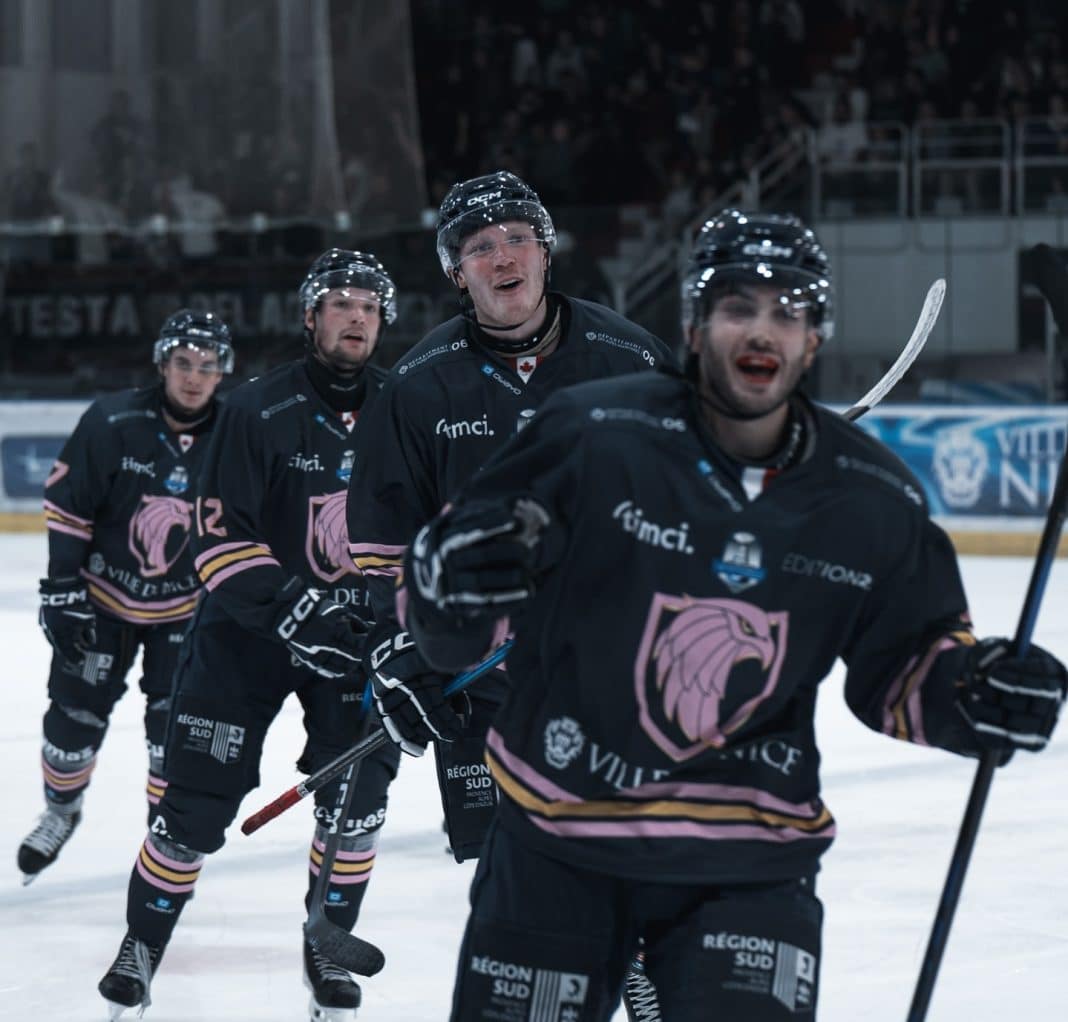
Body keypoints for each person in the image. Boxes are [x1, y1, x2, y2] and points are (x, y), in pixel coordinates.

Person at [396, 209, 1068, 1022]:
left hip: (749, 862)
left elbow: (906, 668)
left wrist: (973, 691)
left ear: (814, 338)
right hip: (555, 841)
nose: (764, 329)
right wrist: (440, 595)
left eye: (789, 311)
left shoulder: (872, 498)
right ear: (692, 325)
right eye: (739, 306)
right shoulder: (591, 435)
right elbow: (461, 618)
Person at [96, 250, 397, 1020]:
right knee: (191, 808)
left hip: (359, 647)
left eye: (369, 304)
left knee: (354, 808)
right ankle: (141, 945)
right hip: (245, 639)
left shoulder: (407, 410)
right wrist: (300, 610)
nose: (356, 316)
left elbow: (433, 526)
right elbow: (219, 537)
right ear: (310, 317)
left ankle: (327, 943)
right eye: (340, 303)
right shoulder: (253, 409)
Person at [345, 170, 669, 871]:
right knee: (509, 870)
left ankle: (634, 973)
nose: (503, 257)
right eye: (480, 247)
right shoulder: (416, 387)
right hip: (481, 674)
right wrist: (408, 648)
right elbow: (382, 545)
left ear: (546, 253)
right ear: (457, 274)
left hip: (614, 660)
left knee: (627, 850)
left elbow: (684, 495)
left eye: (519, 238)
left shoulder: (633, 359)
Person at [17, 309, 233, 885]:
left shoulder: (236, 431)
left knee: (173, 736)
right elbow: (68, 506)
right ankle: (60, 811)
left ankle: (162, 839)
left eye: (207, 366)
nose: (194, 376)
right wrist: (62, 590)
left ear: (222, 374)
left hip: (186, 612)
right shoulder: (113, 421)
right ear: (163, 363)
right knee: (71, 725)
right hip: (102, 604)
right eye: (184, 363)